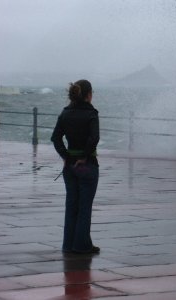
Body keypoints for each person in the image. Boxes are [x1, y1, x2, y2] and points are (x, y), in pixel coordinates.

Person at [51, 79, 100, 254]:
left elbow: (55, 138)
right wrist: (85, 156)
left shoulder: (65, 113)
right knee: (85, 207)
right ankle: (82, 245)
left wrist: (66, 156)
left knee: (72, 205)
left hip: (69, 166)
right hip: (87, 166)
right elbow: (94, 138)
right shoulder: (91, 114)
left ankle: (68, 244)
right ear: (88, 95)